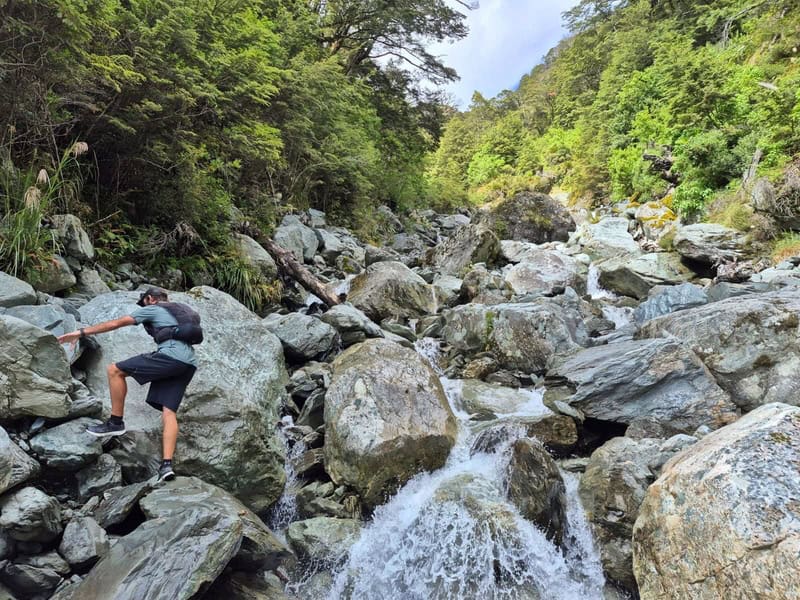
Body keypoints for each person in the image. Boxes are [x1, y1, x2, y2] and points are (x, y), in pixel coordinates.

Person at [58, 287, 201, 482]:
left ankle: (115, 422)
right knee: (169, 412)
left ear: (150, 299)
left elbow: (117, 323)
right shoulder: (183, 311)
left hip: (170, 356)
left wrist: (81, 332)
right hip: (188, 363)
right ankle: (166, 465)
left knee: (114, 370)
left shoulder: (153, 308)